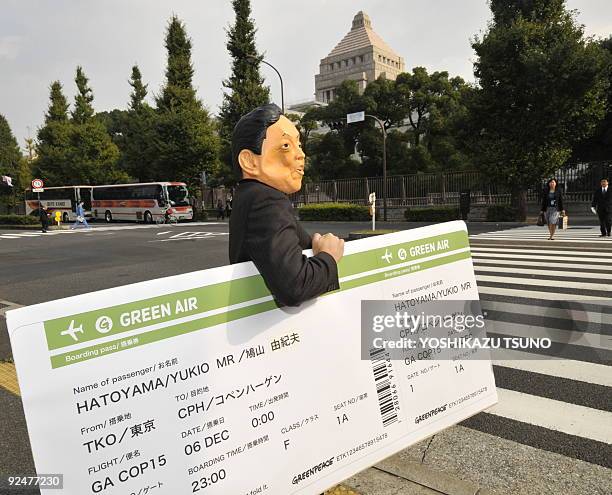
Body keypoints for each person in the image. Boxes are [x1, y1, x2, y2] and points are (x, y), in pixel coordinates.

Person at [229, 103, 343, 307]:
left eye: (298, 145)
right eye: (286, 146)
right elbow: (296, 286)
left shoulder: (247, 195)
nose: (301, 154)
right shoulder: (266, 201)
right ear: (249, 161)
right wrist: (328, 256)